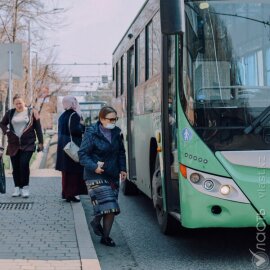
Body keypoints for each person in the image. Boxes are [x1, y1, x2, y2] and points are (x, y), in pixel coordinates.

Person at [78, 106, 127, 247]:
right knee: (110, 206)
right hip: (94, 175)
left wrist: (123, 168)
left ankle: (104, 235)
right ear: (101, 119)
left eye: (115, 119)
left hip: (112, 175)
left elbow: (121, 152)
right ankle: (102, 231)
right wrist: (94, 166)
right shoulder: (91, 132)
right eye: (110, 119)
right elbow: (82, 154)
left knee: (109, 207)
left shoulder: (117, 132)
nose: (113, 122)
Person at [0, 94, 44, 198]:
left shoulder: (32, 112)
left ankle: (25, 188)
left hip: (28, 143)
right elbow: (2, 123)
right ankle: (17, 188)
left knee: (24, 165)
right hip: (13, 144)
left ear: (24, 102)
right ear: (14, 104)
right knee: (15, 167)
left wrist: (41, 142)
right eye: (16, 103)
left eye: (20, 103)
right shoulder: (10, 113)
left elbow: (38, 128)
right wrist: (7, 131)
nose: (18, 105)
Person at [55, 96, 88, 202]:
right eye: (75, 102)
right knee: (74, 171)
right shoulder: (74, 115)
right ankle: (73, 194)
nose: (76, 103)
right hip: (73, 146)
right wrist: (83, 127)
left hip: (63, 147)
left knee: (66, 172)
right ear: (73, 103)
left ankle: (66, 193)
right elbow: (75, 130)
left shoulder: (62, 116)